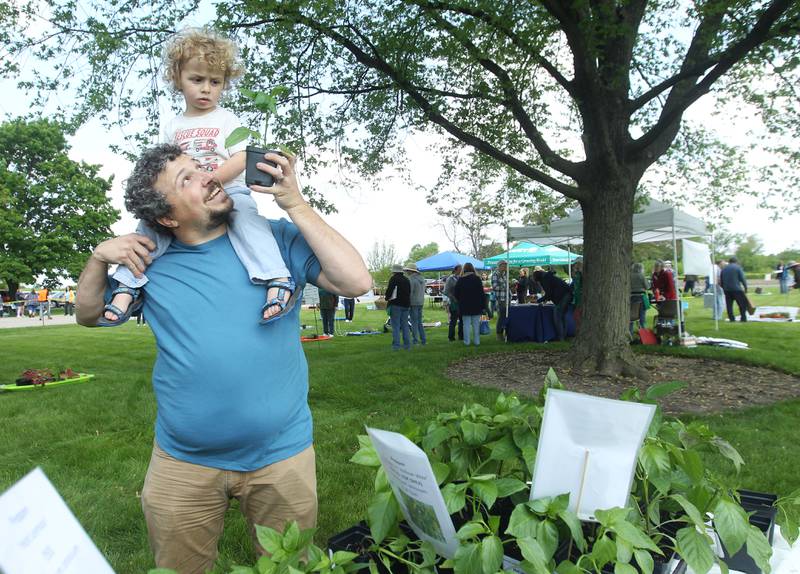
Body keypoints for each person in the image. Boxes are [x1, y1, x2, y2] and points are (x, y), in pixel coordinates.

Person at [75, 144, 371, 572]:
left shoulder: (272, 241)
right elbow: (88, 315)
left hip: (282, 456)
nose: (209, 177)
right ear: (167, 218)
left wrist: (294, 202)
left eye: (201, 168)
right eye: (187, 180)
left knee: (292, 568)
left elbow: (356, 280)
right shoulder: (149, 261)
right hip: (183, 463)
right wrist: (98, 257)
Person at [104, 27, 294, 327]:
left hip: (227, 192)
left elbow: (242, 156)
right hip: (187, 199)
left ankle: (277, 278)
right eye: (197, 79)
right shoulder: (173, 125)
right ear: (178, 80)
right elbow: (165, 165)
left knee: (250, 224)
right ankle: (127, 286)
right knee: (148, 229)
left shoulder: (226, 120)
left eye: (215, 82)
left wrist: (214, 178)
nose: (206, 88)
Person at [533, 269, 573, 341]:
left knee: (557, 315)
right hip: (567, 294)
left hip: (563, 296)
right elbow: (551, 293)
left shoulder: (545, 280)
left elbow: (549, 293)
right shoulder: (549, 277)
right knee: (562, 316)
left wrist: (539, 300)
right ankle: (564, 336)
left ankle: (561, 338)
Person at [454, 262, 486, 346]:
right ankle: (477, 341)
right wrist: (483, 306)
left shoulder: (460, 280)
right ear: (472, 269)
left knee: (466, 325)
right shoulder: (477, 279)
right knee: (476, 325)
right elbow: (482, 293)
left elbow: (456, 293)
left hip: (464, 305)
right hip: (476, 305)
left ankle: (466, 342)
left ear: (464, 269)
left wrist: (460, 300)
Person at [386, 263, 411, 350]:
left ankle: (396, 345)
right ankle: (407, 345)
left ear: (394, 271)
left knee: (396, 326)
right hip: (406, 305)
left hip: (396, 304)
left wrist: (386, 298)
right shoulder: (407, 280)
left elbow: (389, 290)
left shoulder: (394, 279)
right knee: (405, 325)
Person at [720, 256, 749, 322]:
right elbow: (742, 278)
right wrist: (745, 287)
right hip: (737, 289)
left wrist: (723, 288)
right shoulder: (738, 268)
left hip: (727, 289)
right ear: (736, 261)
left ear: (729, 262)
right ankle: (743, 318)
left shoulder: (724, 269)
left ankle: (731, 318)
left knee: (729, 305)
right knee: (742, 304)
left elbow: (721, 280)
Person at [405, 263, 426, 346]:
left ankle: (415, 340)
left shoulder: (411, 280)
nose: (406, 271)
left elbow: (410, 293)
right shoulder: (422, 279)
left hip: (413, 303)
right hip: (421, 302)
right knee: (419, 322)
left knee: (414, 322)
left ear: (410, 271)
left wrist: (407, 302)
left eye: (407, 270)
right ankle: (423, 339)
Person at [443, 264, 463, 341]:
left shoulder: (461, 278)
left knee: (462, 320)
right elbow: (446, 292)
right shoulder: (450, 279)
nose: (461, 270)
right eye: (460, 269)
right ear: (456, 270)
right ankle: (451, 337)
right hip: (454, 302)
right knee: (453, 320)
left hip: (461, 302)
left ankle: (461, 336)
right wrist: (453, 298)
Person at [491, 260, 509, 341]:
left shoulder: (505, 274)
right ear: (500, 266)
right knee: (501, 316)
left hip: (507, 298)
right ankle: (499, 334)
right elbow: (494, 287)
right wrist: (504, 287)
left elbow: (506, 285)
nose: (505, 267)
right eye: (504, 265)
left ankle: (506, 333)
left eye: (506, 265)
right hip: (501, 299)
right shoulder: (495, 274)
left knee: (506, 316)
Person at [630, 263, 649, 334]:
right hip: (641, 296)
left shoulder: (629, 276)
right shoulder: (642, 276)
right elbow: (647, 286)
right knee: (642, 316)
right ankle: (644, 332)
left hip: (631, 297)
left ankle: (630, 332)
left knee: (631, 315)